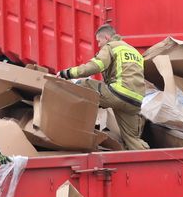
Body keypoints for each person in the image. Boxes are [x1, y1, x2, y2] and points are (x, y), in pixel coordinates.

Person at [57, 24, 150, 152]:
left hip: (118, 93)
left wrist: (67, 73)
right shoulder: (134, 51)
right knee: (132, 139)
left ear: (106, 37)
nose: (99, 45)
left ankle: (71, 126)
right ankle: (148, 162)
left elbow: (94, 67)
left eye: (99, 41)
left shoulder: (110, 47)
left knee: (84, 85)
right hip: (135, 100)